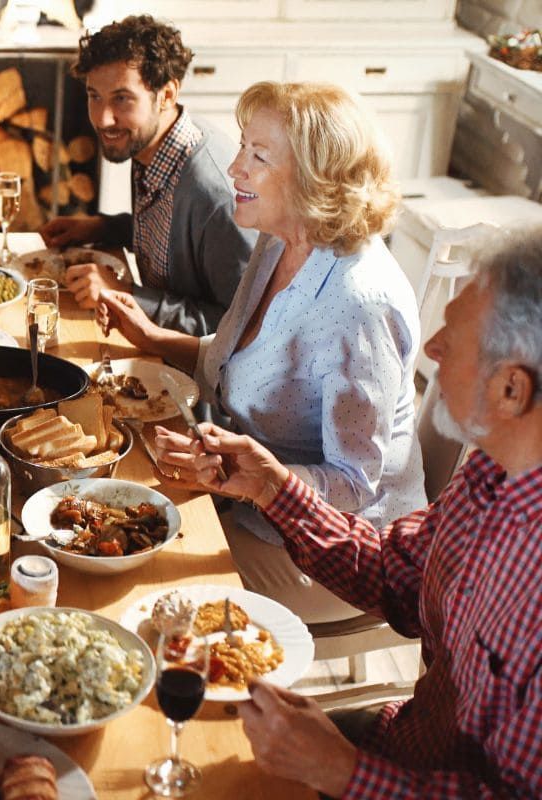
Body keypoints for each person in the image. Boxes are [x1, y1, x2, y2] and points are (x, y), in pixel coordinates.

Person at [153, 227, 542, 798]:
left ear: (512, 390)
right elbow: (393, 573)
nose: (430, 349)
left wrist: (341, 772)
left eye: (452, 340)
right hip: (399, 743)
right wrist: (273, 487)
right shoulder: (491, 476)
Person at [101, 81, 426, 624]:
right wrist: (155, 341)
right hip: (253, 503)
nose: (234, 168)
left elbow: (351, 484)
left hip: (339, 553)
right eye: (241, 147)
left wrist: (245, 478)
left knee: (138, 575)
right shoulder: (280, 240)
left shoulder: (357, 304)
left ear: (316, 175)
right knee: (112, 513)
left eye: (258, 154)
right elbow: (246, 360)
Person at [39, 14, 254, 336]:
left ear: (167, 95)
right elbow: (170, 236)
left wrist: (127, 294)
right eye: (94, 95)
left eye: (121, 99)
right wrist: (104, 227)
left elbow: (242, 327)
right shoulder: (150, 144)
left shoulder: (217, 197)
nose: (102, 119)